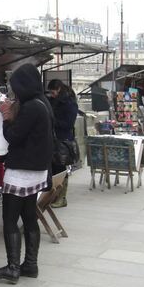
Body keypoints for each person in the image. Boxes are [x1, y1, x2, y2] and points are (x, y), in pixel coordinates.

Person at [0, 63, 53, 284]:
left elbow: (14, 137)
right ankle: (30, 265)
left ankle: (13, 267)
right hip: (37, 171)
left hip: (21, 170)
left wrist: (6, 116)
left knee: (9, 219)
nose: (14, 91)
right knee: (29, 217)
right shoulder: (41, 103)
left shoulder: (31, 106)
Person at [46, 79, 78, 208]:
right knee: (54, 169)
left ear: (59, 89)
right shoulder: (54, 101)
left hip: (63, 141)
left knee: (60, 169)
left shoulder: (69, 103)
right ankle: (53, 196)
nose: (52, 95)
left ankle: (61, 197)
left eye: (53, 92)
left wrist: (53, 121)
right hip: (53, 140)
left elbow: (68, 124)